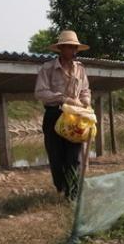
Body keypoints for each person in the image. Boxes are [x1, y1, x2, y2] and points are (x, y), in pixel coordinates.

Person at [34, 30, 91, 201]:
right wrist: (63, 98)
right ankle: (62, 187)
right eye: (70, 47)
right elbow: (40, 92)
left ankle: (72, 194)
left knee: (74, 157)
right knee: (56, 157)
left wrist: (86, 101)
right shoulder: (48, 68)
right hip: (54, 115)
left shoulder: (80, 69)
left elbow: (85, 89)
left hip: (75, 117)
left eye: (75, 48)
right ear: (61, 48)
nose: (73, 51)